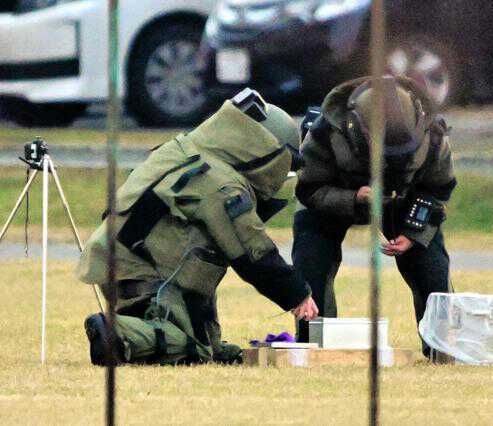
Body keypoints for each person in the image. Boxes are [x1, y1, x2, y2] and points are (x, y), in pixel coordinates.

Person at [77, 89, 318, 366]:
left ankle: (195, 341)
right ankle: (115, 334)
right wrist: (297, 294)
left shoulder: (185, 150)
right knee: (192, 351)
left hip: (124, 264)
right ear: (270, 152)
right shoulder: (221, 182)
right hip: (146, 275)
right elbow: (251, 251)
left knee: (205, 265)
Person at [293, 76, 456, 357]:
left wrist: (415, 232)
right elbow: (309, 189)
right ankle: (314, 346)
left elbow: (438, 188)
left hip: (406, 198)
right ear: (357, 128)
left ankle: (442, 349)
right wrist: (353, 198)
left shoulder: (434, 135)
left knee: (431, 267)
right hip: (336, 195)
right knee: (311, 259)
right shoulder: (325, 132)